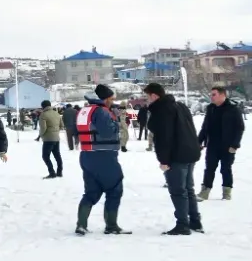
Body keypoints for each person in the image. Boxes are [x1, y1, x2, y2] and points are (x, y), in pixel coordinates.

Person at [144, 83, 204, 235]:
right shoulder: (180, 106)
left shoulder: (162, 110)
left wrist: (164, 161)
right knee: (188, 189)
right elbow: (191, 128)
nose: (147, 100)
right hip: (190, 152)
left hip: (176, 155)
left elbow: (164, 137)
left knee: (178, 191)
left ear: (154, 95)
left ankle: (183, 224)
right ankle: (195, 221)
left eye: (147, 96)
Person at [74, 85, 130, 235]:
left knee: (91, 192)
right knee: (115, 189)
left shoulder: (84, 111)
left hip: (87, 155)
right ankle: (111, 225)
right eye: (111, 99)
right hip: (104, 157)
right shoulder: (102, 112)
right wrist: (117, 121)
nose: (112, 102)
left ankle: (81, 224)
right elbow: (107, 132)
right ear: (104, 98)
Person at [197, 86, 244, 201]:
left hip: (227, 146)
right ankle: (205, 191)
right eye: (211, 94)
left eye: (214, 94)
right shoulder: (211, 108)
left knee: (225, 169)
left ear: (223, 95)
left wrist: (235, 145)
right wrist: (198, 142)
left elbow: (240, 128)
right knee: (209, 169)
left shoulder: (233, 109)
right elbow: (205, 127)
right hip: (212, 144)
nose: (211, 97)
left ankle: (226, 192)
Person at [38, 100, 63, 178]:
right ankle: (59, 172)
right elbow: (61, 125)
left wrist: (40, 135)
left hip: (48, 138)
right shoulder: (57, 113)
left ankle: (52, 172)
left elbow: (43, 128)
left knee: (45, 156)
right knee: (57, 155)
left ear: (43, 106)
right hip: (56, 138)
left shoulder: (43, 115)